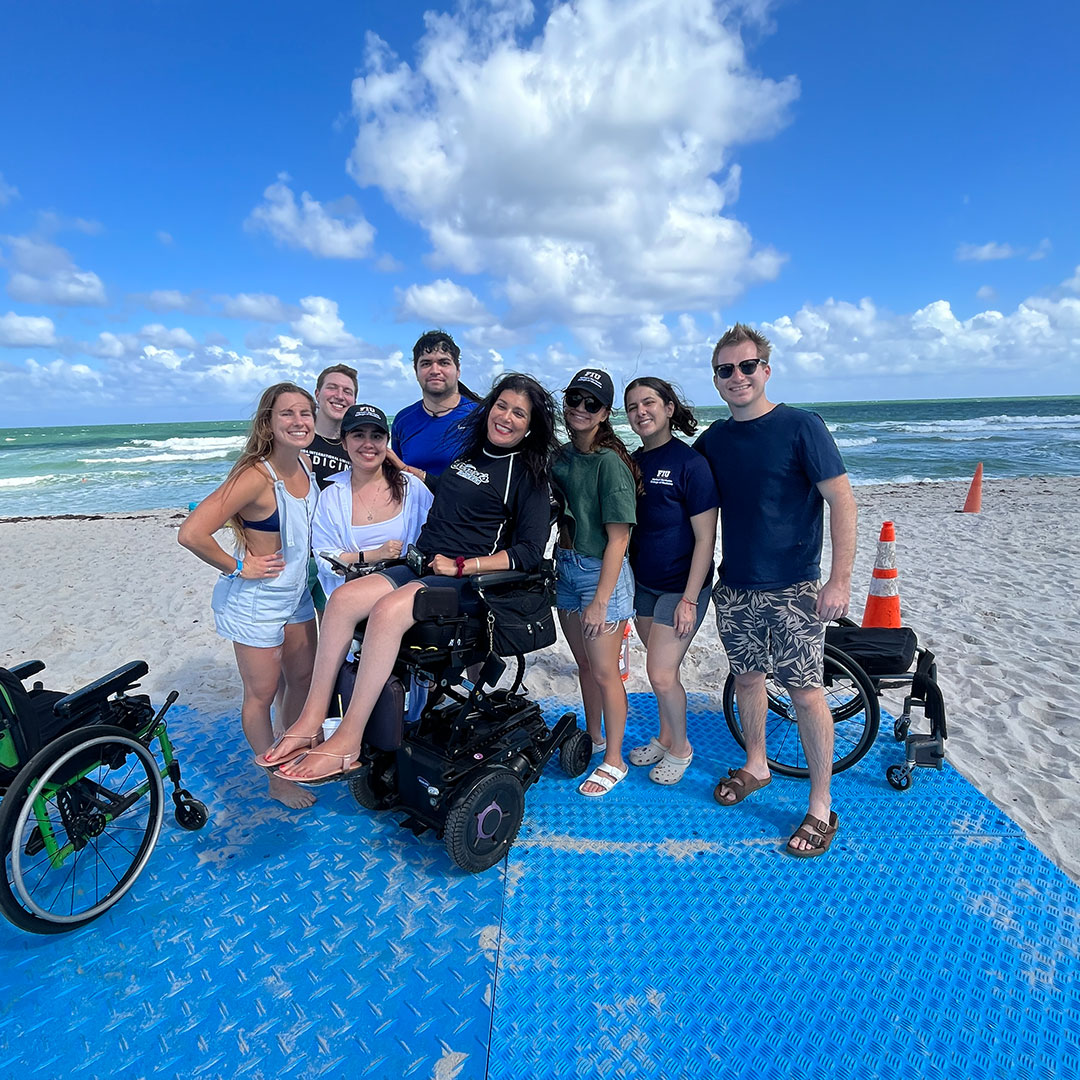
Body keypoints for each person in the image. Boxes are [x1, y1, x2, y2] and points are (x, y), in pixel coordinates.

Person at [261, 373, 558, 783]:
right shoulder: (470, 454)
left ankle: (348, 739)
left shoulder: (526, 474)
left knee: (388, 611)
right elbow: (456, 498)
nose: (506, 417)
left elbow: (528, 552)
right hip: (421, 566)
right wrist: (406, 470)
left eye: (519, 413)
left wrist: (462, 566)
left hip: (465, 585)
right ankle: (310, 720)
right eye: (502, 406)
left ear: (530, 426)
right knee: (344, 600)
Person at [695, 323, 857, 857]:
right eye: (726, 370)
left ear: (765, 370)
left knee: (807, 692)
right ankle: (756, 765)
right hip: (735, 587)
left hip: (793, 588)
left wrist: (838, 580)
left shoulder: (801, 427)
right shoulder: (715, 441)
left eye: (746, 366)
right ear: (716, 380)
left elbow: (842, 502)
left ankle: (819, 804)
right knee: (747, 680)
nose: (737, 376)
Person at [178, 383, 320, 809]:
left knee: (301, 680)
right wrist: (239, 566)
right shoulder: (255, 476)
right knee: (260, 694)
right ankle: (276, 780)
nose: (299, 421)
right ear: (269, 423)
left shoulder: (306, 464)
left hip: (296, 597)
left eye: (305, 413)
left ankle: (290, 753)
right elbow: (191, 533)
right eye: (287, 414)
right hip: (257, 602)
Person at [623, 377, 719, 785]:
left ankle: (681, 748)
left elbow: (706, 538)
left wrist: (690, 599)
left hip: (682, 587)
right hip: (643, 583)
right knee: (663, 672)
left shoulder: (690, 464)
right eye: (632, 407)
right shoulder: (630, 461)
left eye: (648, 403)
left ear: (667, 407)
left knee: (661, 674)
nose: (641, 412)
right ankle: (664, 737)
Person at [552, 369, 639, 798]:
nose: (580, 408)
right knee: (585, 665)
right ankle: (595, 737)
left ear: (605, 414)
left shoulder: (610, 464)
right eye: (575, 398)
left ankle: (615, 759)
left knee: (607, 673)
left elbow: (619, 538)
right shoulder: (562, 458)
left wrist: (601, 601)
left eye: (592, 403)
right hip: (564, 568)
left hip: (599, 574)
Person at [310, 403, 433, 602]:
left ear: (386, 442)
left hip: (405, 597)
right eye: (358, 435)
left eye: (376, 436)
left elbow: (434, 539)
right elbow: (325, 558)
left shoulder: (411, 488)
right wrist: (373, 555)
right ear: (344, 442)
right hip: (350, 600)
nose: (368, 444)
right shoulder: (331, 497)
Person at [390, 330, 480, 484]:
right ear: (416, 371)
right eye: (426, 363)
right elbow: (397, 474)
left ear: (458, 370)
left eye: (444, 362)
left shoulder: (479, 416)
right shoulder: (402, 421)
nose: (435, 370)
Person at [307, 365, 358, 488]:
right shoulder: (297, 438)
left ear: (354, 402)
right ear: (317, 395)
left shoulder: (357, 448)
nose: (340, 396)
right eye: (332, 388)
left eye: (347, 391)